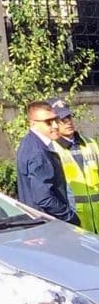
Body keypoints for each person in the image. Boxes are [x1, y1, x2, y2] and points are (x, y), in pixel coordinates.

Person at [16, 99, 78, 222]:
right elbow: (43, 197)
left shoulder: (31, 143)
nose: (55, 125)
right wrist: (70, 217)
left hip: (41, 223)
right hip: (47, 224)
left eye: (55, 119)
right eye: (48, 122)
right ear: (33, 123)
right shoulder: (37, 152)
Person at [51, 99, 99, 233]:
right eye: (62, 120)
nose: (68, 123)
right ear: (53, 123)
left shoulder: (90, 143)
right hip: (75, 218)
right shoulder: (52, 149)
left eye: (69, 117)